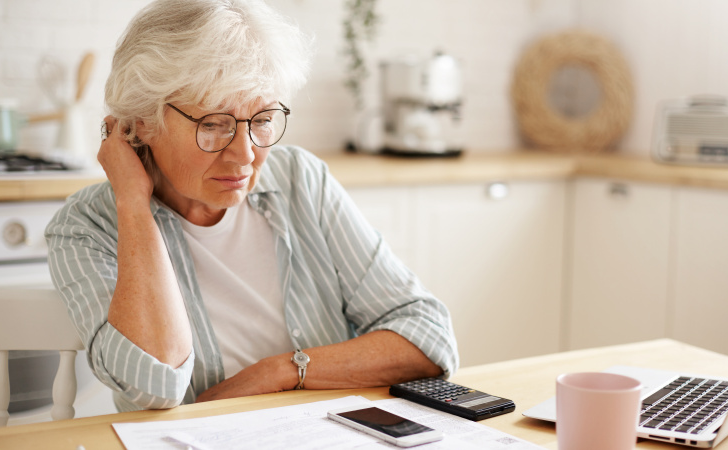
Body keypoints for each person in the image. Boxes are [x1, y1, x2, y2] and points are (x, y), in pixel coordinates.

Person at [45, 0, 458, 412]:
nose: (245, 155)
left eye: (261, 120)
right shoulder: (86, 227)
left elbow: (428, 339)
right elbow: (154, 386)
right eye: (212, 124)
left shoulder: (300, 180)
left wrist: (279, 373)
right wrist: (133, 203)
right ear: (140, 122)